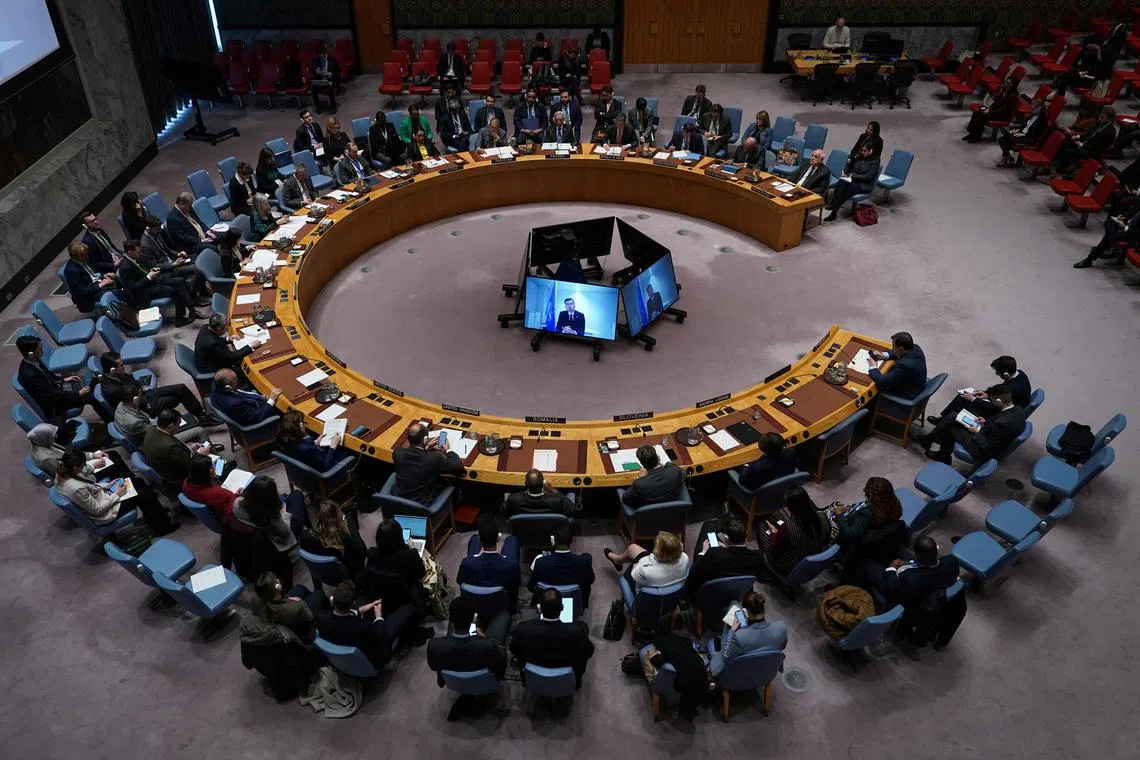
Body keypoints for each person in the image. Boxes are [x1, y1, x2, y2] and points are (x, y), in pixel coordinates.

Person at [55, 447, 179, 535]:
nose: (85, 468)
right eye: (83, 466)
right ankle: (162, 528)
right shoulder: (75, 488)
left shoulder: (64, 471)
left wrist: (107, 485)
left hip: (101, 495)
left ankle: (155, 515)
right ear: (76, 467)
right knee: (143, 495)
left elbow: (88, 485)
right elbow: (97, 510)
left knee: (138, 483)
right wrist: (116, 494)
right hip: (105, 512)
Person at [316, 580, 430, 670]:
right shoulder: (362, 627)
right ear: (353, 603)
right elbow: (378, 633)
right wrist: (378, 616)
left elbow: (345, 618)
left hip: (346, 643)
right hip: (374, 654)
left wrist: (360, 610)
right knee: (408, 609)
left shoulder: (321, 618)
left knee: (364, 599)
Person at [426, 595, 508, 720]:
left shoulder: (434, 646)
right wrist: (484, 639)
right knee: (503, 615)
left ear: (451, 620)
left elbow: (434, 667)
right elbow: (501, 666)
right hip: (487, 682)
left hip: (453, 683)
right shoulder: (488, 645)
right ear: (473, 619)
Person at [510, 587, 595, 689]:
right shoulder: (577, 631)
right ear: (562, 608)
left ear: (539, 608)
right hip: (567, 679)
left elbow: (514, 649)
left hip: (533, 678)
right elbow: (589, 652)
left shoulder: (522, 629)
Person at [920, 387, 1028, 464]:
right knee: (953, 416)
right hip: (987, 433)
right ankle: (929, 439)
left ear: (999, 401)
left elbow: (988, 446)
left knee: (951, 423)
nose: (993, 404)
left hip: (981, 449)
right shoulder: (1018, 410)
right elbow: (996, 427)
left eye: (993, 401)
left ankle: (943, 454)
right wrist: (985, 422)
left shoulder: (1003, 423)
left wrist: (977, 432)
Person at [928, 355, 1032, 424]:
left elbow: (995, 408)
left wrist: (973, 399)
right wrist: (987, 394)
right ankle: (944, 419)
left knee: (963, 399)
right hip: (1009, 406)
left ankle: (943, 422)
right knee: (966, 396)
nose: (997, 374)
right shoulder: (1020, 374)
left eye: (998, 372)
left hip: (999, 415)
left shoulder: (1012, 389)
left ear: (1005, 374)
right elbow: (1002, 394)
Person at [117, 239, 200, 326]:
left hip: (153, 282)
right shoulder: (125, 267)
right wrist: (148, 277)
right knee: (174, 291)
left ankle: (192, 310)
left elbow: (153, 266)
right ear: (130, 253)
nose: (140, 253)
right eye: (138, 252)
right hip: (145, 292)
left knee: (179, 281)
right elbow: (133, 288)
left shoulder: (138, 257)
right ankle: (180, 319)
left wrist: (158, 269)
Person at [16, 334, 96, 422]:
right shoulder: (30, 375)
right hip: (56, 404)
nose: (42, 351)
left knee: (89, 382)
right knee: (92, 396)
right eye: (39, 349)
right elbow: (51, 396)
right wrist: (78, 393)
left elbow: (47, 376)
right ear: (30, 354)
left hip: (58, 391)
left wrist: (64, 380)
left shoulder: (33, 360)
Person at [708, 590, 788, 677]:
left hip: (739, 665)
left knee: (734, 607)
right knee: (735, 604)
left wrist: (732, 630)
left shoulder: (739, 637)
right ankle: (744, 622)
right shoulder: (781, 627)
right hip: (765, 667)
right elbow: (781, 647)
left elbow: (726, 656)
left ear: (746, 612)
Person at [113, 379, 215, 447]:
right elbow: (159, 432)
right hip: (157, 441)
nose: (142, 398)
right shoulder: (134, 422)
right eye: (140, 396)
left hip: (151, 429)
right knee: (199, 430)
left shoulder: (121, 405)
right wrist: (172, 425)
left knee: (178, 415)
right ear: (135, 399)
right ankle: (208, 451)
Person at [756, 486, 831, 578]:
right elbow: (826, 540)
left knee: (761, 527)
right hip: (815, 554)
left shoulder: (787, 529)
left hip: (793, 566)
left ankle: (765, 570)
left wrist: (773, 533)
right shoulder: (823, 517)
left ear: (791, 507)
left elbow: (775, 552)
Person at [867, 536, 960, 609]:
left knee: (868, 564)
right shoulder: (952, 562)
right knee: (899, 549)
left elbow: (893, 588)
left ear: (918, 555)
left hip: (901, 595)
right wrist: (908, 564)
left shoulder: (909, 579)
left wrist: (891, 568)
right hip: (927, 580)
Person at [357, 518, 428, 612]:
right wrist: (414, 549)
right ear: (400, 537)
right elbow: (422, 574)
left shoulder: (371, 555)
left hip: (379, 600)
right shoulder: (409, 555)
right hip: (403, 601)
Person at [684, 516, 766, 597]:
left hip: (713, 592)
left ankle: (724, 518)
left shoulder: (713, 554)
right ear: (746, 533)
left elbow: (696, 571)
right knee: (710, 527)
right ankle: (725, 519)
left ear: (726, 538)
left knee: (708, 526)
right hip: (739, 591)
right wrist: (727, 548)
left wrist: (703, 552)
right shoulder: (758, 556)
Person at [391, 422, 465, 504]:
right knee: (449, 484)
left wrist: (426, 447)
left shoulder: (397, 453)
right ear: (425, 439)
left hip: (397, 501)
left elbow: (414, 458)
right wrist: (448, 449)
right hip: (420, 505)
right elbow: (458, 466)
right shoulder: (433, 458)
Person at [142, 408, 219, 487]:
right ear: (171, 425)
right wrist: (201, 454)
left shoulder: (152, 429)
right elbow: (191, 466)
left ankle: (217, 462)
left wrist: (189, 448)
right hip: (179, 477)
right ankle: (218, 474)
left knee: (201, 436)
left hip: (169, 463)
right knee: (215, 464)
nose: (179, 426)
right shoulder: (171, 447)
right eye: (179, 424)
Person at [457, 519, 522, 613]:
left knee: (473, 538)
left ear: (480, 539)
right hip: (502, 605)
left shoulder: (466, 563)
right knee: (512, 540)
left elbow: (460, 581)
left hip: (475, 604)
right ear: (498, 538)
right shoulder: (511, 565)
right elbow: (515, 585)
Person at [138, 215, 207, 302]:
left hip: (173, 262)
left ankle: (202, 293)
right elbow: (154, 266)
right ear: (148, 228)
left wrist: (178, 253)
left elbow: (167, 250)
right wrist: (173, 264)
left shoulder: (156, 233)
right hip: (165, 271)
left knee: (198, 261)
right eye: (157, 228)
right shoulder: (145, 246)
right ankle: (194, 298)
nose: (159, 230)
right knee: (196, 269)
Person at [528, 523, 595, 606]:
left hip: (548, 603)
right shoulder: (583, 562)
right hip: (576, 602)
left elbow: (530, 587)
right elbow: (591, 580)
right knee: (587, 556)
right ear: (571, 540)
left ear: (553, 540)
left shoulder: (540, 562)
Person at [603, 530, 690, 593]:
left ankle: (616, 560)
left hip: (646, 598)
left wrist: (636, 566)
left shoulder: (644, 570)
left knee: (634, 553)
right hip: (671, 595)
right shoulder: (685, 558)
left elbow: (635, 575)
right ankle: (617, 560)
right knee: (633, 548)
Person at [828, 477, 903, 547]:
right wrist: (850, 508)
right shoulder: (893, 505)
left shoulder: (866, 515)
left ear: (872, 497)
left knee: (820, 518)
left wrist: (839, 515)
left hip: (842, 527)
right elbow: (865, 505)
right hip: (853, 517)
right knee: (835, 504)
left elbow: (850, 534)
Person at [299, 500, 367, 578]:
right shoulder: (346, 532)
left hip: (324, 573)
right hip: (350, 572)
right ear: (337, 513)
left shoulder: (306, 536)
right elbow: (361, 549)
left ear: (318, 516)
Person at [254, 571, 320, 643]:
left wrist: (289, 600)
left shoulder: (266, 604)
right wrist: (300, 602)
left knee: (300, 588)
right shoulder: (292, 609)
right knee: (318, 594)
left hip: (286, 610)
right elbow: (309, 615)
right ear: (278, 587)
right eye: (276, 579)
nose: (278, 580)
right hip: (305, 624)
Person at [277, 408, 350, 472]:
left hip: (305, 470)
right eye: (303, 422)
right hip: (325, 473)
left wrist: (315, 442)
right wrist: (333, 447)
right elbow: (326, 466)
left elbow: (302, 451)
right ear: (300, 425)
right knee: (350, 452)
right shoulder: (308, 449)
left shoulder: (285, 440)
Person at [28, 423, 108, 477]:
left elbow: (69, 454)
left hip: (78, 466)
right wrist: (93, 466)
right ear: (45, 438)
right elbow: (66, 475)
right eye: (53, 436)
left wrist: (92, 455)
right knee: (116, 464)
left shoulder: (45, 443)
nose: (56, 436)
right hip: (78, 476)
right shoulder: (46, 459)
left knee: (110, 455)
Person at [824, 142, 879, 221]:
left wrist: (853, 176)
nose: (862, 152)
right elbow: (854, 170)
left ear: (870, 151)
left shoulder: (874, 163)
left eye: (864, 151)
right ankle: (834, 204)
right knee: (841, 182)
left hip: (864, 185)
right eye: (862, 150)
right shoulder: (861, 158)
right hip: (854, 180)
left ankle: (834, 211)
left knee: (847, 190)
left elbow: (868, 177)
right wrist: (847, 175)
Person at [1074, 203, 1140, 268]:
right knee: (1109, 221)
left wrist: (1125, 228)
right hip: (1127, 226)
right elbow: (1131, 213)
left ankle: (1089, 260)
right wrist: (1123, 217)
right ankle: (1112, 242)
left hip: (1134, 237)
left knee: (1107, 238)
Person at [1055, 106, 1116, 175]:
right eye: (1100, 116)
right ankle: (1059, 164)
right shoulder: (1098, 123)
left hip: (1092, 151)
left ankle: (1061, 171)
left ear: (1109, 119)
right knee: (1064, 144)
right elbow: (1088, 135)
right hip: (1084, 144)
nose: (1100, 118)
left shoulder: (1110, 132)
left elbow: (1100, 147)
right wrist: (1078, 137)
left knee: (1069, 151)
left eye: (1103, 117)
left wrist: (1083, 145)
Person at [621, 444, 685, 508]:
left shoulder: (639, 484)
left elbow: (625, 500)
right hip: (673, 510)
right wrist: (666, 464)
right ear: (657, 458)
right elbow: (683, 473)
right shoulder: (674, 472)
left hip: (647, 514)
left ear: (642, 464)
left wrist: (640, 478)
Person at [868, 331, 928, 399]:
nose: (893, 349)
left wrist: (873, 366)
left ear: (901, 349)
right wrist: (883, 355)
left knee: (877, 387)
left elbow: (883, 381)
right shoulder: (915, 348)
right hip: (916, 383)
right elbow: (899, 353)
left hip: (907, 393)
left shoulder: (905, 365)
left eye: (894, 347)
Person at [210, 368, 281, 425]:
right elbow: (257, 417)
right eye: (235, 380)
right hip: (259, 415)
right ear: (228, 387)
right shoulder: (235, 404)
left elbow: (237, 392)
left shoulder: (217, 385)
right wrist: (271, 399)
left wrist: (255, 396)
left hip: (251, 404)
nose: (237, 381)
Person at [62, 241, 117, 313]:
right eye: (84, 255)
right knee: (115, 293)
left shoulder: (85, 258)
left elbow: (94, 271)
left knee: (119, 280)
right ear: (75, 257)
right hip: (89, 295)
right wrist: (100, 285)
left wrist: (104, 275)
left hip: (97, 282)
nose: (87, 256)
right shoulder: (71, 271)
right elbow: (81, 291)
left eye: (86, 253)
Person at [194, 314, 260, 373]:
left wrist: (227, 339)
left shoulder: (205, 327)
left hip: (207, 357)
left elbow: (216, 339)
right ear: (219, 329)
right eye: (225, 327)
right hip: (209, 367)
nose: (226, 329)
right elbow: (232, 357)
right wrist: (251, 346)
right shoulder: (212, 344)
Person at [183, 453, 239, 522]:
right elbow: (227, 514)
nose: (214, 468)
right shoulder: (215, 494)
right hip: (234, 505)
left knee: (225, 467)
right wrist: (237, 495)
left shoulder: (186, 483)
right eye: (212, 467)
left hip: (218, 496)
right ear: (205, 473)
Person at [963, 77, 1020, 143]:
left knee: (981, 115)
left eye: (1008, 83)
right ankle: (971, 134)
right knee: (977, 112)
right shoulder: (1005, 90)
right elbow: (996, 101)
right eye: (1006, 82)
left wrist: (990, 111)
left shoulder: (1013, 96)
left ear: (1012, 85)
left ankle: (976, 137)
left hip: (1002, 115)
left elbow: (1004, 110)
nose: (1005, 84)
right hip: (995, 111)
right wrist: (990, 108)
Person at [996, 99, 1049, 168]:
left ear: (1040, 108)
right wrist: (1017, 130)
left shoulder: (1042, 120)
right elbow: (1024, 127)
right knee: (1001, 139)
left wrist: (1023, 134)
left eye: (1034, 108)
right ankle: (1007, 157)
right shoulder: (1031, 116)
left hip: (1029, 139)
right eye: (1032, 107)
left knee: (1006, 141)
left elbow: (1035, 134)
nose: (1032, 109)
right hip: (1023, 134)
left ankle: (1005, 158)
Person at [504, 468, 576, 517]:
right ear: (543, 484)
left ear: (525, 484)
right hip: (550, 530)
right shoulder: (556, 500)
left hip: (523, 530)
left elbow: (503, 511)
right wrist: (554, 490)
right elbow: (572, 509)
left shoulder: (514, 499)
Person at [310, 46, 340, 114]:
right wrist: (316, 72)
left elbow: (337, 74)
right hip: (321, 80)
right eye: (319, 56)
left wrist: (329, 73)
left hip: (330, 80)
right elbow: (313, 72)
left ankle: (333, 106)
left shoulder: (333, 60)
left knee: (329, 88)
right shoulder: (316, 60)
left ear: (325, 53)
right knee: (313, 89)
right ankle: (318, 107)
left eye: (322, 56)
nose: (320, 58)